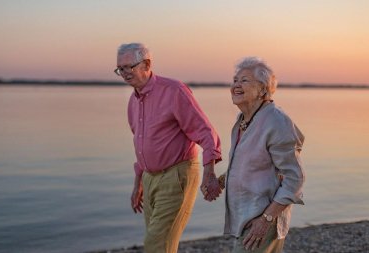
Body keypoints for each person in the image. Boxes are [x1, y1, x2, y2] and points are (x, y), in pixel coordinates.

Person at [115, 43, 222, 253]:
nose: (125, 73)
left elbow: (206, 133)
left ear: (146, 64)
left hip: (176, 175)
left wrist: (209, 172)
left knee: (157, 244)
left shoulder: (174, 91)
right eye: (120, 69)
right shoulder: (133, 101)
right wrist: (138, 182)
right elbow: (140, 143)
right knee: (160, 243)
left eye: (129, 67)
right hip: (149, 178)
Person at [222, 57, 305, 252]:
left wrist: (266, 219)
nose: (236, 86)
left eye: (244, 80)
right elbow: (255, 164)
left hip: (263, 217)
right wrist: (223, 180)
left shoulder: (276, 121)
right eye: (235, 80)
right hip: (246, 216)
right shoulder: (243, 120)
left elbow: (295, 178)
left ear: (262, 89)